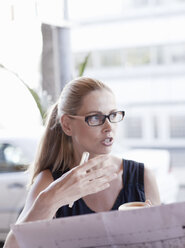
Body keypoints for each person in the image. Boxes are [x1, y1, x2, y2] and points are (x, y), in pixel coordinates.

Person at [4, 77, 160, 248]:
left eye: (113, 115)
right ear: (67, 125)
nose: (109, 127)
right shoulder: (50, 183)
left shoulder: (142, 176)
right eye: (95, 118)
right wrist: (51, 200)